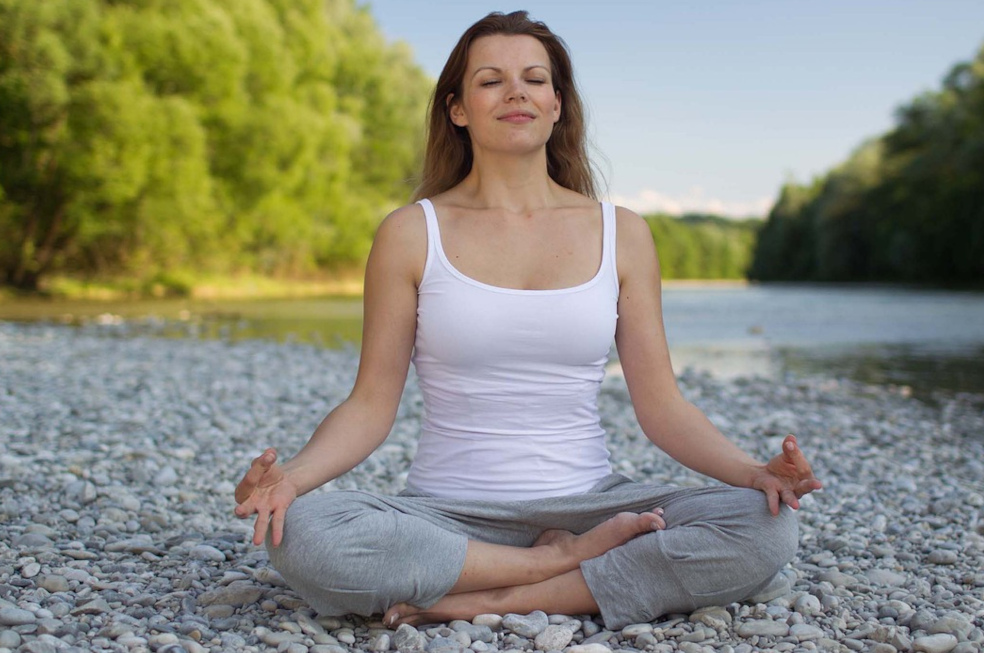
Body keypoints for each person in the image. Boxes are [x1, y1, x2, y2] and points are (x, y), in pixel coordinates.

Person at [233, 10, 822, 630]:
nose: (516, 91)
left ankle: (490, 595)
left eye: (534, 79)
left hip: (592, 505)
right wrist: (291, 478)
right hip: (448, 514)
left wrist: (753, 473)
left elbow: (663, 406)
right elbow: (370, 405)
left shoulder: (623, 233)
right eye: (490, 81)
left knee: (765, 526)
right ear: (457, 109)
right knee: (301, 533)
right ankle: (560, 569)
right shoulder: (410, 234)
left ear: (557, 105)